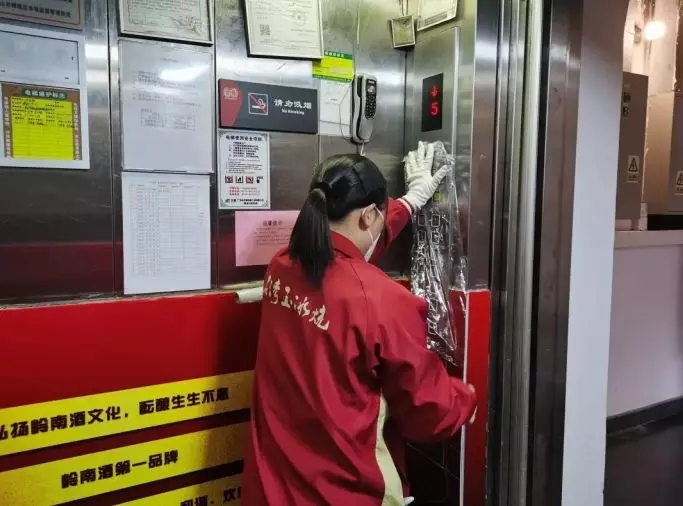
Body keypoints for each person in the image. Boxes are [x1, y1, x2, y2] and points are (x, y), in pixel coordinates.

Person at [242, 143, 477, 506]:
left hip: (272, 484)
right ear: (368, 215)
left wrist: (410, 202)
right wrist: (465, 399)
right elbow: (427, 412)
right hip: (340, 492)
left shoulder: (282, 266)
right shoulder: (383, 301)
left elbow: (345, 256)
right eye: (378, 216)